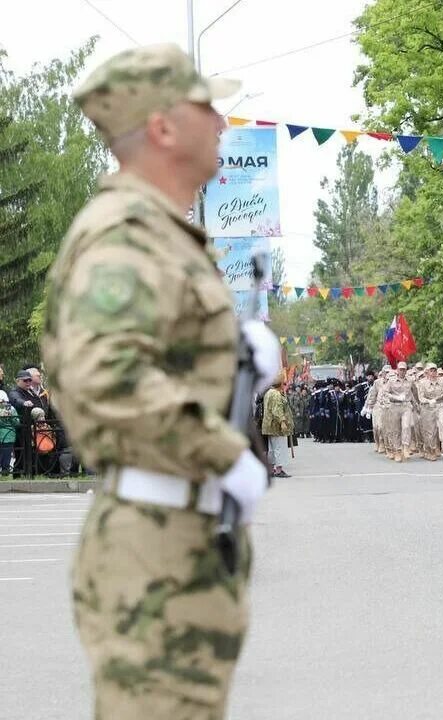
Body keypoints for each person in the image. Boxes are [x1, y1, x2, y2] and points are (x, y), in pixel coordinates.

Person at [41, 44, 277, 718]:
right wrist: (222, 452)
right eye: (207, 106)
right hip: (154, 547)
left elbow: (155, 359)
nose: (222, 122)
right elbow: (103, 375)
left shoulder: (161, 234)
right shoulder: (126, 232)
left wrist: (237, 357)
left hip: (182, 536)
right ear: (164, 128)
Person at [261, 372, 294, 478]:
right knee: (280, 448)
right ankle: (279, 470)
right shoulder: (275, 394)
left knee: (272, 448)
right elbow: (277, 410)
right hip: (277, 426)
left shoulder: (268, 392)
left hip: (270, 426)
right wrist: (282, 422)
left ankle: (272, 469)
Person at [414, 364, 443, 460]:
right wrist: (428, 401)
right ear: (427, 372)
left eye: (434, 370)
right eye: (431, 370)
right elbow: (420, 397)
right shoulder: (422, 383)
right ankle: (430, 450)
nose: (433, 373)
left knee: (442, 423)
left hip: (439, 405)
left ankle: (442, 444)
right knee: (430, 430)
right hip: (427, 407)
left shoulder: (442, 382)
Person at [382, 362, 415, 462]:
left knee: (406, 426)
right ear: (397, 370)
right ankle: (397, 451)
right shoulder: (391, 381)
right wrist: (395, 397)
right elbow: (385, 393)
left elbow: (415, 392)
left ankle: (405, 447)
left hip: (406, 406)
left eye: (404, 369)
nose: (402, 371)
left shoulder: (410, 380)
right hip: (394, 406)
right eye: (400, 369)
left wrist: (417, 405)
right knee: (395, 430)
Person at [0, 395, 18, 475]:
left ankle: (5, 472)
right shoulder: (12, 408)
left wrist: (10, 416)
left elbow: (17, 422)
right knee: (6, 456)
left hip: (8, 436)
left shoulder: (11, 409)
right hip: (8, 436)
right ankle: (5, 472)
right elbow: (17, 423)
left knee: (6, 455)